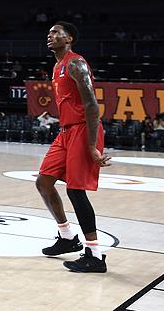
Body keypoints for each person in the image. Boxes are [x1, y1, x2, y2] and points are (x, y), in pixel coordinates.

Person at [36, 22, 111, 273]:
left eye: (56, 32)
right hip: (66, 131)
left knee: (76, 190)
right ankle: (67, 237)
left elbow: (92, 105)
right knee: (44, 182)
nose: (50, 35)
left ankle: (95, 256)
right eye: (49, 32)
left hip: (83, 129)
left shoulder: (76, 63)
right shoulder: (57, 66)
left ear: (68, 39)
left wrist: (91, 145)